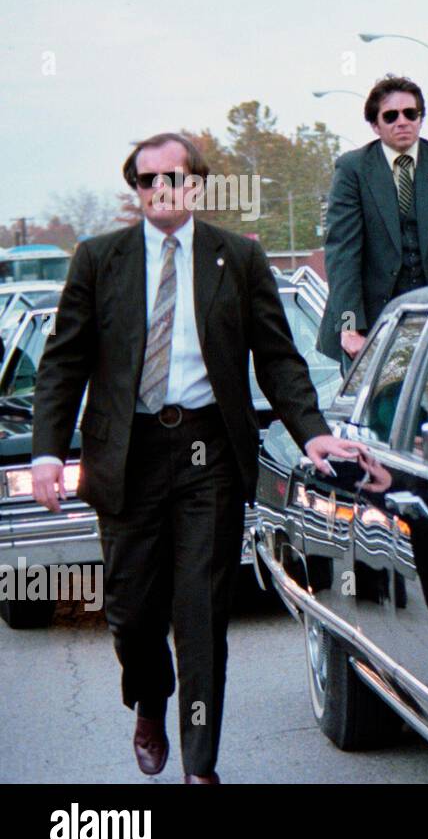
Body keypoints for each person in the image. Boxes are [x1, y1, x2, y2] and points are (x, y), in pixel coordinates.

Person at [32, 133, 367, 783]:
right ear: (137, 190)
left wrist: (314, 432)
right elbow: (64, 362)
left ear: (196, 185)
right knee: (131, 612)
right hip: (127, 457)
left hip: (207, 454)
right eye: (148, 179)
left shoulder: (235, 259)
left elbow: (276, 358)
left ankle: (200, 766)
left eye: (174, 177)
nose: (162, 189)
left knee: (202, 613)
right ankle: (150, 701)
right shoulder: (100, 261)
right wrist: (47, 451)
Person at [317, 74, 428, 370]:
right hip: (372, 324)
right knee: (379, 413)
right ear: (375, 125)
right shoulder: (353, 169)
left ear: (420, 118)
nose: (402, 121)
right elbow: (342, 253)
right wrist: (350, 327)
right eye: (390, 116)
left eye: (410, 113)